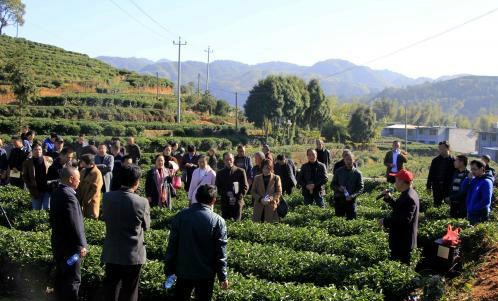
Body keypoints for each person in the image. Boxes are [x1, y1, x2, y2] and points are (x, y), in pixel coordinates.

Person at [164, 184, 228, 301]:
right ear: (214, 200)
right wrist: (223, 277)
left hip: (183, 270)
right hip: (205, 274)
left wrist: (169, 270)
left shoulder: (181, 216)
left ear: (197, 197)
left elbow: (172, 245)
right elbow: (221, 252)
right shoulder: (218, 221)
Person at [101, 164, 150, 301]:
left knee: (111, 290)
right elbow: (146, 226)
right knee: (130, 291)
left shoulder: (107, 197)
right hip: (133, 254)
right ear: (136, 182)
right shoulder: (142, 202)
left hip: (112, 251)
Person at [49, 167, 87, 301]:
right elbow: (75, 223)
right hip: (70, 247)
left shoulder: (57, 192)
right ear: (71, 179)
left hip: (59, 244)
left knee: (61, 276)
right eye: (78, 178)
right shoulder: (69, 196)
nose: (79, 181)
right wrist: (82, 245)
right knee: (73, 279)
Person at [380, 169, 419, 265]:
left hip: (403, 243)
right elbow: (400, 208)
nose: (395, 182)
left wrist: (385, 221)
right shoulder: (408, 193)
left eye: (396, 180)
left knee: (400, 267)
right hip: (402, 241)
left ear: (402, 182)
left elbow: (404, 220)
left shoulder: (409, 198)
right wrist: (389, 199)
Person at [215, 152, 249, 221]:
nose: (229, 161)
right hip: (225, 203)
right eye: (226, 159)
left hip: (237, 203)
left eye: (230, 159)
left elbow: (245, 187)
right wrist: (226, 193)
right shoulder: (220, 173)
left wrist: (237, 196)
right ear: (224, 161)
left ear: (233, 159)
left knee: (237, 224)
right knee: (225, 224)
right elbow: (217, 188)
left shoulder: (240, 171)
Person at [331, 151, 364, 219]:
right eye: (347, 160)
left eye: (350, 159)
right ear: (344, 160)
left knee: (351, 220)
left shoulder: (358, 173)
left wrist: (352, 196)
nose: (348, 161)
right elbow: (332, 184)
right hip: (339, 199)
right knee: (338, 220)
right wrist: (339, 188)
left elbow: (360, 188)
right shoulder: (338, 171)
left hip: (351, 201)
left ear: (353, 160)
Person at [23, 143, 53, 210]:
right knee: (36, 210)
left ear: (42, 150)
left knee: (47, 210)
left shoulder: (49, 159)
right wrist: (30, 186)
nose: (38, 151)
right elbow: (25, 177)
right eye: (35, 149)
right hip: (36, 191)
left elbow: (53, 173)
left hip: (47, 190)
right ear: (32, 150)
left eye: (39, 149)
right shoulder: (27, 163)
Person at [464, 160, 494, 225]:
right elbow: (463, 189)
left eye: (475, 169)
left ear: (482, 169)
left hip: (479, 215)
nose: (472, 172)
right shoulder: (474, 179)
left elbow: (486, 200)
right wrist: (467, 179)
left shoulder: (486, 182)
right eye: (471, 169)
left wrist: (473, 209)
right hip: (471, 213)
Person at [427, 141, 455, 207]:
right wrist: (428, 186)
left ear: (448, 148)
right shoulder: (435, 160)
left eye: (442, 148)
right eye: (439, 148)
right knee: (436, 204)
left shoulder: (453, 160)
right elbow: (431, 174)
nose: (440, 150)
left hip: (448, 187)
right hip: (437, 186)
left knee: (449, 205)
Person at [77, 154, 103, 219]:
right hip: (81, 200)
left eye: (82, 161)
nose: (81, 162)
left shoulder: (97, 173)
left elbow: (96, 189)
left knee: (91, 218)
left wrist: (86, 200)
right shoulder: (83, 171)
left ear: (87, 161)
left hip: (91, 202)